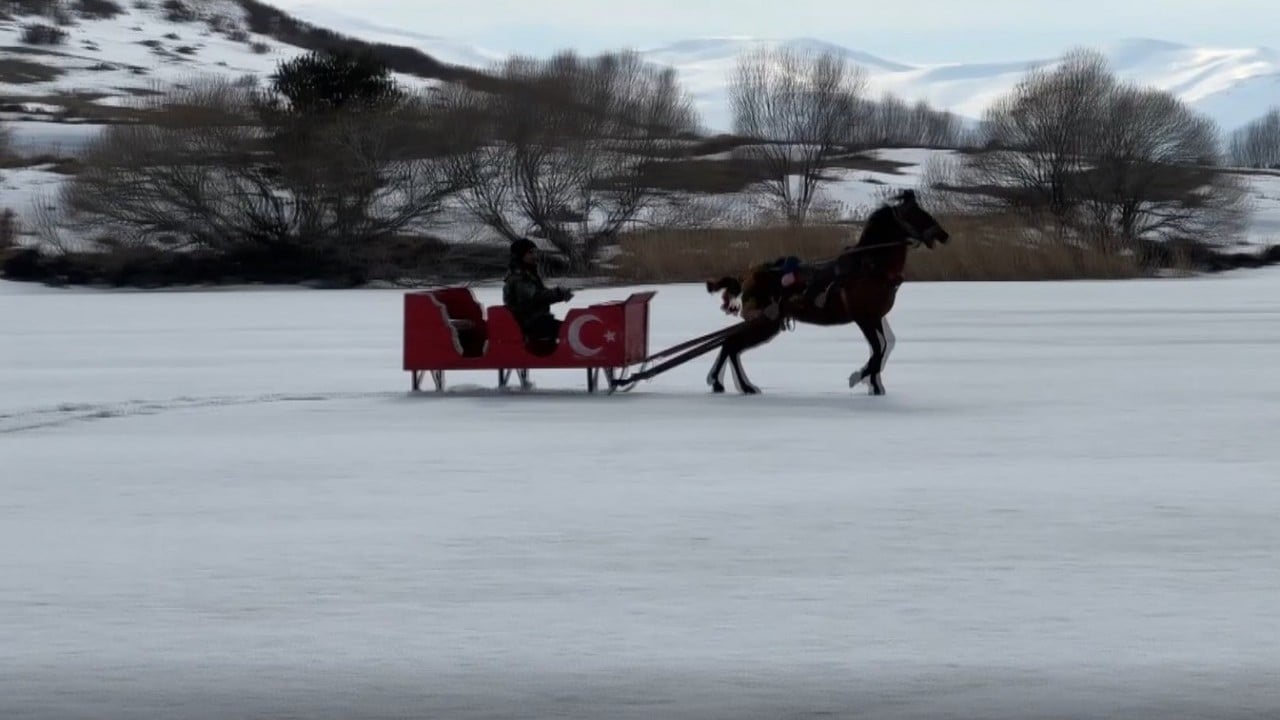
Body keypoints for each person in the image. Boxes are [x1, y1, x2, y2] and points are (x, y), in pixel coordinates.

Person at [502, 238, 574, 345]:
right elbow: (534, 297)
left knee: (568, 328)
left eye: (535, 252)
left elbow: (540, 293)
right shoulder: (518, 276)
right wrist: (557, 293)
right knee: (570, 331)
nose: (535, 255)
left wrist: (559, 294)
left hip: (537, 319)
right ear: (520, 255)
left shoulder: (528, 273)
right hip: (528, 322)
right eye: (530, 252)